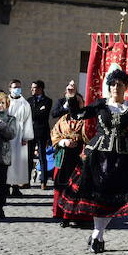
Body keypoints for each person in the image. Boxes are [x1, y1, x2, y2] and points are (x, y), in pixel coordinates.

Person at [58, 68, 128, 252]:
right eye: (112, 84)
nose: (115, 87)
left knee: (114, 198)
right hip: (98, 157)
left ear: (126, 87)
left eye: (119, 85)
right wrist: (71, 98)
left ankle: (98, 234)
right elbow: (78, 114)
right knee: (99, 196)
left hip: (124, 159)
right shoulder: (100, 105)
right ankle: (98, 234)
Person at [50, 91, 89, 227]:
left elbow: (89, 136)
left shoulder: (86, 120)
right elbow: (55, 133)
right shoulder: (63, 119)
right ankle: (63, 215)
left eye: (77, 102)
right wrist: (63, 142)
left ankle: (78, 215)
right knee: (62, 185)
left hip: (79, 157)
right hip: (64, 156)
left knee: (77, 187)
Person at [6, 79, 33, 194]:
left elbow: (28, 121)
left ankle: (15, 187)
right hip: (6, 134)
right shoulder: (5, 101)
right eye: (15, 87)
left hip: (19, 135)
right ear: (10, 89)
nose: (17, 89)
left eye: (19, 87)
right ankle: (5, 186)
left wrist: (25, 137)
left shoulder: (25, 103)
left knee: (18, 162)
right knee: (7, 161)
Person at [27, 80, 54, 189]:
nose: (32, 89)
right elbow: (30, 115)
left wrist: (36, 112)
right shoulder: (28, 100)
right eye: (31, 87)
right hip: (30, 131)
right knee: (29, 157)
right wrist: (37, 111)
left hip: (42, 132)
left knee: (42, 157)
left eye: (34, 88)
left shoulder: (47, 101)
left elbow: (43, 115)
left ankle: (43, 181)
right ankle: (26, 180)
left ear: (40, 89)